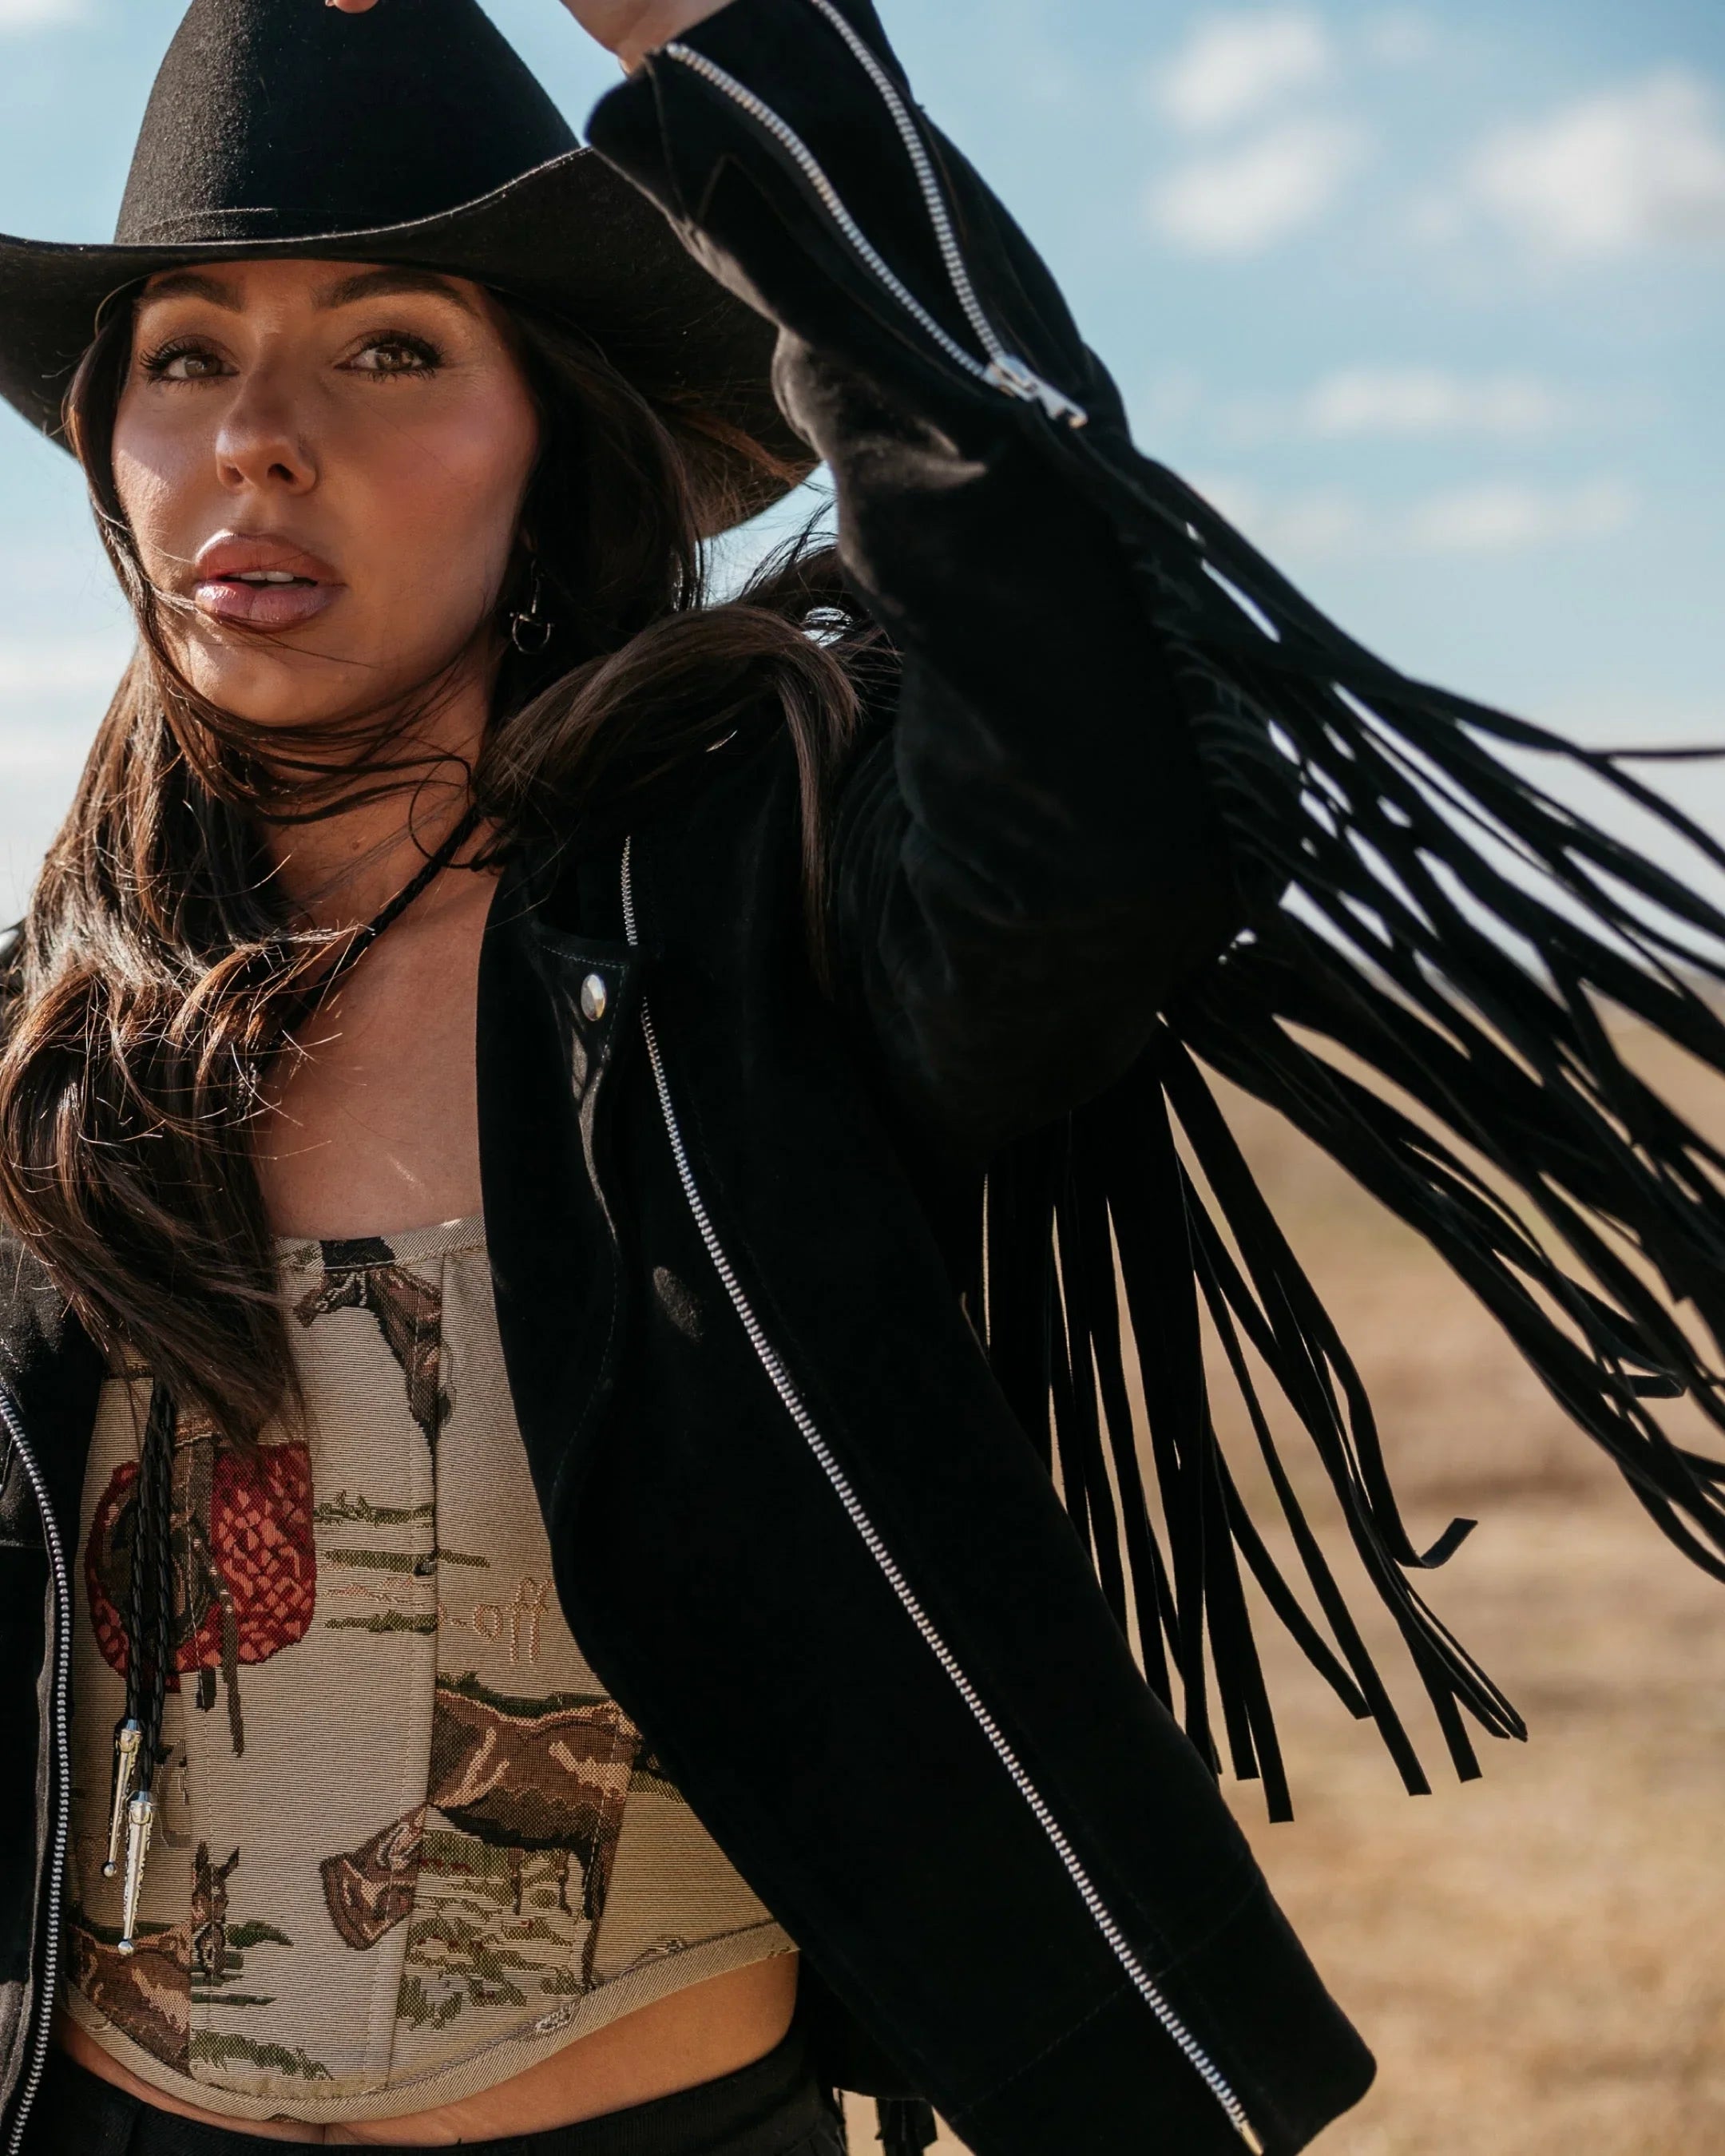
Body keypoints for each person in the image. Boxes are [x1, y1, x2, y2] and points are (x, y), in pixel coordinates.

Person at [2, 1, 1724, 2152]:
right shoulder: (50, 1052)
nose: (259, 436)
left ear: (555, 437)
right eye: (186, 356)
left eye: (392, 347)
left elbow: (1115, 763)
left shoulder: (755, 913)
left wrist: (736, 52)